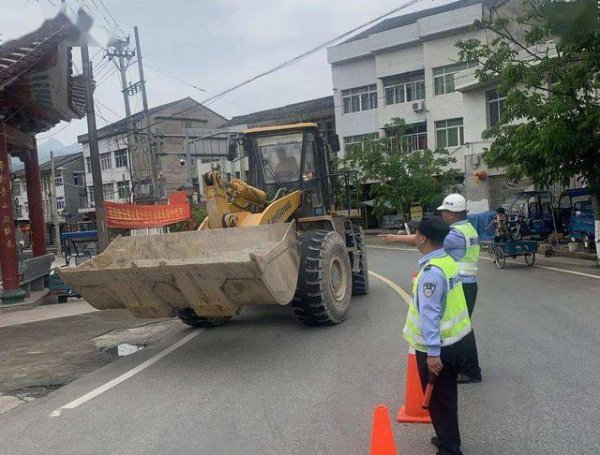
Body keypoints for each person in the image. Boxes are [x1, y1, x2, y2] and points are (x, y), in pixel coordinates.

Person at [382, 194, 482, 383]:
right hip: (465, 282)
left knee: (461, 329)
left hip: (462, 284)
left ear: (451, 215)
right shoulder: (467, 228)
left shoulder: (454, 235)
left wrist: (396, 237)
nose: (442, 215)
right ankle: (468, 368)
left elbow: (425, 239)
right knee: (463, 327)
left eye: (443, 212)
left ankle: (470, 370)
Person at [403, 215, 472, 455]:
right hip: (455, 343)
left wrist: (432, 354)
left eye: (416, 233)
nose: (414, 236)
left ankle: (449, 450)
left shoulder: (431, 273)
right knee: (447, 398)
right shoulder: (447, 261)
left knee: (439, 402)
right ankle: (448, 439)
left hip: (438, 349)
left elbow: (429, 315)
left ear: (422, 238)